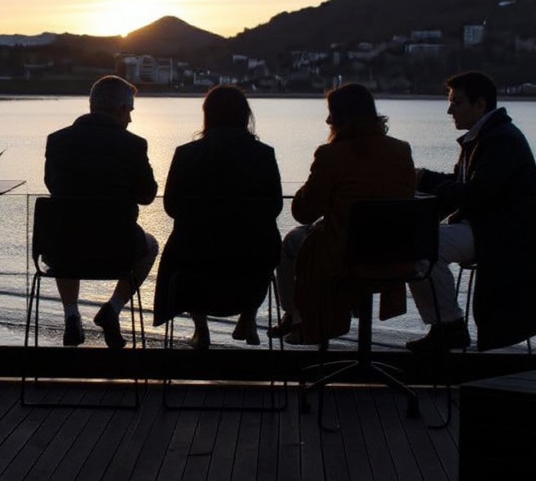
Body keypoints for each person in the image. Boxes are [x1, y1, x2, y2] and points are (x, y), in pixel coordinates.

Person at [406, 71, 536, 352]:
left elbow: (475, 194)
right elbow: (465, 188)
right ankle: (446, 325)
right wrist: (424, 182)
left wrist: (423, 180)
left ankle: (449, 327)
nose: (449, 110)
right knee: (418, 242)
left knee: (420, 249)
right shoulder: (489, 135)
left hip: (501, 233)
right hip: (494, 226)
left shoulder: (500, 141)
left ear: (480, 104)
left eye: (456, 102)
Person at [270, 83, 415, 345]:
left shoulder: (331, 155)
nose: (327, 120)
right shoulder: (401, 150)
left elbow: (304, 212)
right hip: (395, 254)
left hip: (344, 256)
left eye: (331, 113)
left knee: (292, 241)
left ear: (343, 117)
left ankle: (298, 317)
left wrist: (311, 181)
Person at [153, 85, 283, 350]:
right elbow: (275, 207)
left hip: (197, 271)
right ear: (245, 116)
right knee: (267, 240)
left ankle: (201, 330)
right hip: (249, 269)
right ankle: (248, 313)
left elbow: (171, 207)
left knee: (182, 244)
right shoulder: (264, 154)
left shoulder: (186, 154)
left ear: (208, 115)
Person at [44, 75, 159, 349]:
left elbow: (53, 186)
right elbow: (147, 195)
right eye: (129, 112)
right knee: (151, 247)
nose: (130, 120)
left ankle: (72, 316)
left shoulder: (57, 141)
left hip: (64, 249)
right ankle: (112, 309)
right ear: (120, 110)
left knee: (67, 232)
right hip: (117, 251)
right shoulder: (134, 144)